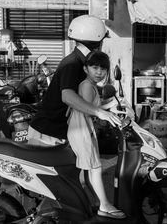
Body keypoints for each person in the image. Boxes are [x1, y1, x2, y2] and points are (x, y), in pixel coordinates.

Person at [28, 14, 121, 145]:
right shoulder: (72, 63)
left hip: (60, 131)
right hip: (48, 133)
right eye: (102, 41)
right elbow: (67, 96)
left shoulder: (82, 62)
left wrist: (107, 102)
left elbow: (81, 90)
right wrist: (99, 112)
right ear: (96, 42)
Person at [67, 51, 125, 219]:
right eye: (95, 67)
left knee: (89, 169)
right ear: (86, 69)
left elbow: (91, 107)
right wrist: (108, 110)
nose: (99, 72)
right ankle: (105, 206)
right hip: (81, 129)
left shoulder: (91, 85)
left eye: (103, 68)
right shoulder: (86, 85)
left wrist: (110, 106)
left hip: (82, 128)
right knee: (95, 168)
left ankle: (91, 201)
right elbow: (86, 109)